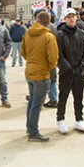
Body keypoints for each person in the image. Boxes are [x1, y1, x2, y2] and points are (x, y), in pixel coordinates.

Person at [21, 10, 59, 141]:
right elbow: (53, 58)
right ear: (48, 22)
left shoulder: (28, 34)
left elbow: (23, 52)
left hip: (30, 71)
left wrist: (32, 62)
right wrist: (47, 67)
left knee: (32, 102)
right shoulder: (48, 36)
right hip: (42, 74)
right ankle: (33, 132)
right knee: (37, 104)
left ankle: (29, 127)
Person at [55, 8, 84, 134]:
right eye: (68, 16)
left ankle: (79, 119)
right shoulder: (60, 35)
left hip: (79, 73)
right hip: (66, 73)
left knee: (78, 97)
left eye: (73, 16)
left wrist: (82, 66)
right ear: (65, 19)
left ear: (76, 17)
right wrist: (67, 67)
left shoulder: (82, 34)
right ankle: (60, 119)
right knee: (63, 97)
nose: (71, 19)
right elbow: (58, 54)